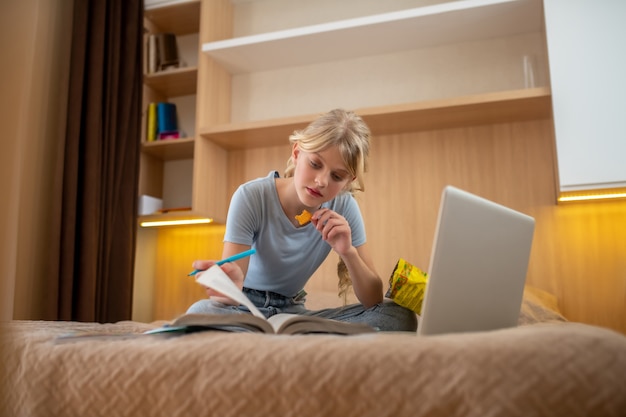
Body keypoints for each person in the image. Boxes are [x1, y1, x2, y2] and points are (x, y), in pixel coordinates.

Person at [186, 109, 417, 332]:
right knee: (200, 312)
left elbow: (373, 299)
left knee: (398, 315)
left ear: (348, 181)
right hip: (244, 306)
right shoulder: (251, 196)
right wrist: (228, 287)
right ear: (297, 153)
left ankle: (276, 334)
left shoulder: (345, 207)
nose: (321, 181)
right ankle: (288, 335)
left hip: (293, 311)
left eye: (337, 176)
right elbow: (230, 287)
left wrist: (348, 252)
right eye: (315, 164)